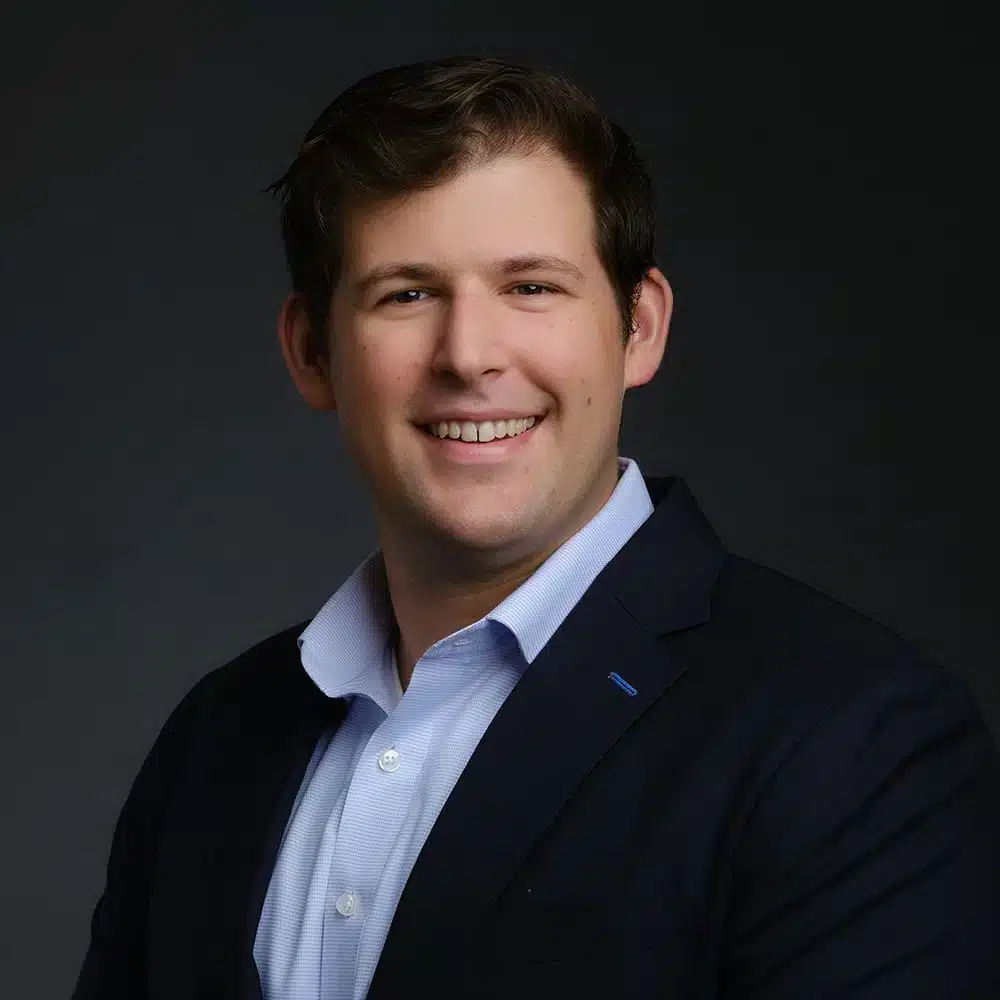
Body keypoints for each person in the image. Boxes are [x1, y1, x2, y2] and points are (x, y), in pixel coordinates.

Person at [72, 55, 1000, 1000]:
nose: (470, 355)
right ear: (314, 353)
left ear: (638, 329)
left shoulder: (853, 739)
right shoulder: (213, 743)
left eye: (532, 288)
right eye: (408, 293)